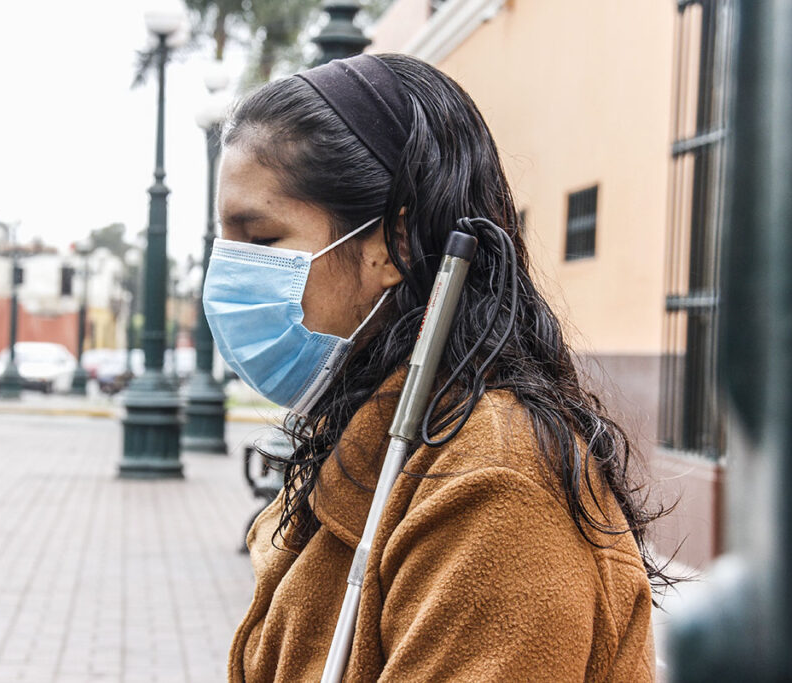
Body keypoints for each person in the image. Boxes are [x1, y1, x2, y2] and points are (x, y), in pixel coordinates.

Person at [202, 53, 667, 682]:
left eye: (259, 241)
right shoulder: (366, 440)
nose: (229, 272)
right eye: (223, 243)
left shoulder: (494, 484)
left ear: (391, 246)